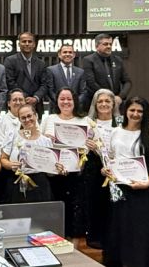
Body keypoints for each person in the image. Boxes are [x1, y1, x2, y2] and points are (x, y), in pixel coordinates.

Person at [102, 97, 149, 267]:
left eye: (140, 111)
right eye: (132, 110)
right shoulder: (115, 132)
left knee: (141, 234)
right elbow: (110, 159)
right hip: (120, 190)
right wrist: (105, 170)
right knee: (121, 230)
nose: (135, 114)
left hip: (144, 191)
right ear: (125, 111)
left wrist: (147, 183)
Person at [40, 87, 91, 238]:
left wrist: (87, 146)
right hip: (53, 172)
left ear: (75, 101)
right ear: (57, 101)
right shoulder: (49, 119)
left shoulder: (84, 121)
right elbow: (39, 141)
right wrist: (46, 139)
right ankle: (54, 237)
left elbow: (91, 144)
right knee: (54, 207)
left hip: (76, 172)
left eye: (69, 99)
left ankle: (70, 238)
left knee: (73, 208)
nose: (66, 102)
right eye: (62, 99)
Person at [83, 89, 118, 249]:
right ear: (95, 105)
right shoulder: (89, 124)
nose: (104, 104)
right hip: (94, 168)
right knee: (94, 201)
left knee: (113, 203)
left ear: (113, 104)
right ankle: (95, 237)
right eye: (100, 101)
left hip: (115, 167)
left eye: (107, 101)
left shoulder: (120, 123)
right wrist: (87, 145)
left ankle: (113, 237)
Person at [0, 104, 55, 203]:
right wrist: (10, 164)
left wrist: (57, 169)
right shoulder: (12, 135)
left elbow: (50, 171)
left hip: (40, 184)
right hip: (17, 180)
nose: (27, 119)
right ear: (19, 120)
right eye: (23, 118)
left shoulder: (46, 141)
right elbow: (3, 159)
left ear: (36, 115)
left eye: (29, 116)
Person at [0, 89, 26, 203]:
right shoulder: (0, 120)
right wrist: (9, 162)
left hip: (27, 170)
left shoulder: (30, 119)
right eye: (14, 100)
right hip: (6, 170)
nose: (18, 102)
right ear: (9, 103)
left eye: (21, 99)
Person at [81, 33, 131, 109]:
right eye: (105, 44)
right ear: (97, 46)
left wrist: (120, 96)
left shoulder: (117, 60)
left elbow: (127, 82)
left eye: (110, 44)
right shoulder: (88, 60)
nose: (109, 46)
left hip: (116, 102)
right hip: (97, 102)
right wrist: (108, 96)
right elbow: (91, 82)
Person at [4, 32, 48, 113]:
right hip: (17, 104)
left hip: (36, 106)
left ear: (34, 44)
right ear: (19, 44)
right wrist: (24, 97)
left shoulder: (41, 63)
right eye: (24, 41)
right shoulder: (10, 61)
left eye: (30, 41)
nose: (27, 44)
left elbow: (44, 84)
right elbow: (10, 82)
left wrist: (35, 98)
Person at [46, 43, 89, 111]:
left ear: (74, 55)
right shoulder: (51, 70)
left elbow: (83, 92)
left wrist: (74, 103)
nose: (68, 54)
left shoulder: (80, 72)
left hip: (75, 109)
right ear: (59, 54)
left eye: (70, 52)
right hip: (57, 109)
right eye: (65, 52)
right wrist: (61, 102)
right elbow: (50, 91)